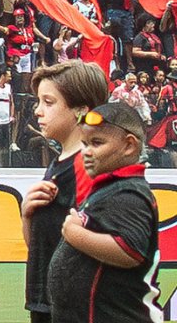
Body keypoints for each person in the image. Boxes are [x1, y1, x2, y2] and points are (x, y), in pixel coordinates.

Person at [47, 102, 163, 322]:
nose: (86, 152)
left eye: (96, 143)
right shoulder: (109, 189)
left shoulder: (128, 193)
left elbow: (130, 251)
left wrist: (74, 234)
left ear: (129, 146)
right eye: (84, 144)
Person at [21, 62, 107, 323]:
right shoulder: (59, 163)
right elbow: (39, 246)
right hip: (46, 302)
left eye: (48, 102)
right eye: (39, 101)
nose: (37, 111)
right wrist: (27, 214)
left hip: (73, 308)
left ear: (81, 111)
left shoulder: (88, 167)